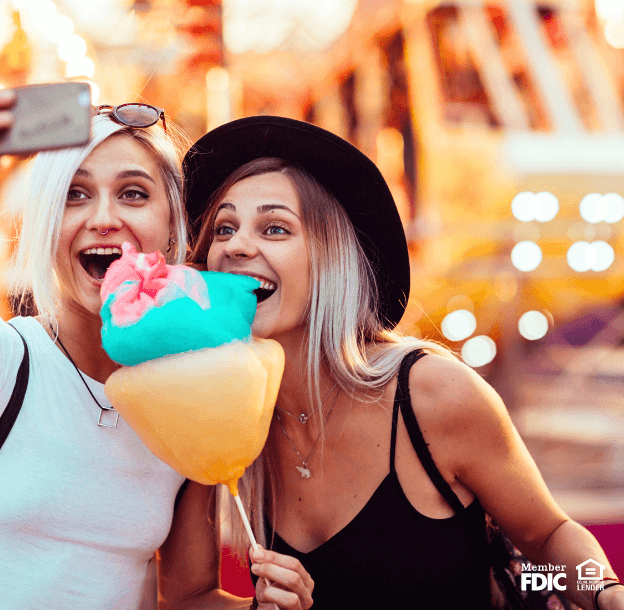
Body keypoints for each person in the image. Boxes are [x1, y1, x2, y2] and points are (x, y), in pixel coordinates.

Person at [171, 116, 623, 610]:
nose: (235, 245)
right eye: (224, 228)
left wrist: (605, 593)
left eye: (275, 227)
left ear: (332, 258)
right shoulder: (216, 411)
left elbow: (549, 534)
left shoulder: (431, 393)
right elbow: (185, 595)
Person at [0, 78, 195, 610]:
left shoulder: (185, 401)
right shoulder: (4, 358)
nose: (103, 217)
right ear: (47, 225)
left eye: (134, 193)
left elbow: (184, 596)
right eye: (75, 194)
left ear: (170, 227)